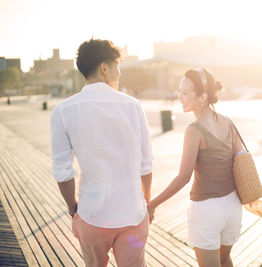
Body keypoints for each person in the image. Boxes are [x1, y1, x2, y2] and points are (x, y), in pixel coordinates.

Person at [50, 39, 153, 267]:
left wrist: (72, 208)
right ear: (104, 68)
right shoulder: (133, 106)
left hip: (92, 214)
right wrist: (145, 200)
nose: (119, 74)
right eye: (117, 66)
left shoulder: (63, 111)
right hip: (132, 215)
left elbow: (63, 171)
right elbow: (145, 165)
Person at [148, 68, 243, 267]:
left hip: (207, 210)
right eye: (179, 91)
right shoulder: (228, 123)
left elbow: (184, 177)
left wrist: (152, 204)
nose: (179, 97)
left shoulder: (194, 130)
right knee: (225, 261)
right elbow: (241, 161)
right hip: (233, 207)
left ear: (203, 97)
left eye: (185, 92)